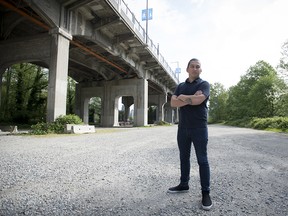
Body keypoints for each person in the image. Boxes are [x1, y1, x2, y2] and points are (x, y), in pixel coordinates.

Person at [168, 58, 212, 211]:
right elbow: (173, 103)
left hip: (199, 127)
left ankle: (205, 193)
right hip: (183, 128)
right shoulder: (180, 86)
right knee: (183, 158)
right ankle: (184, 184)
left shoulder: (204, 85)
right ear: (187, 69)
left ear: (200, 70)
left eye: (197, 67)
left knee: (202, 160)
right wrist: (191, 98)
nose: (195, 68)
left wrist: (183, 98)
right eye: (192, 66)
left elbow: (200, 100)